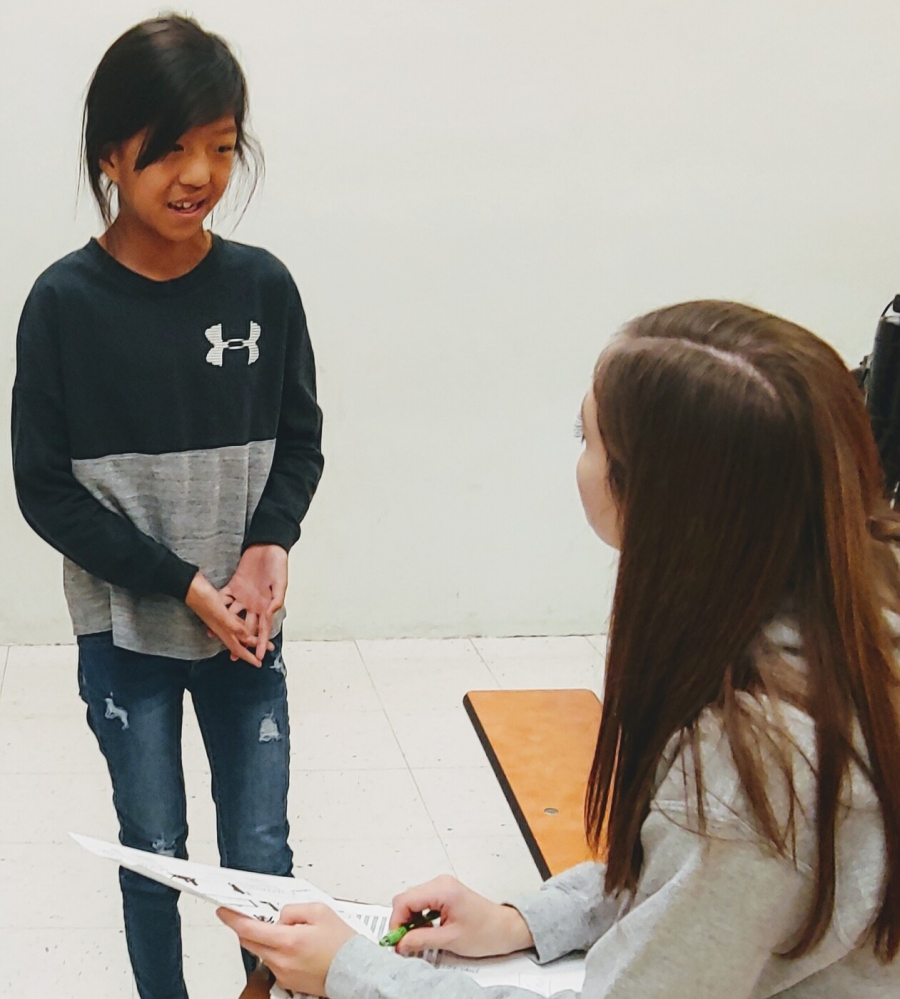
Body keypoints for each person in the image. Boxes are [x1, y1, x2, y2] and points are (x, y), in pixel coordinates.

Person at [218, 301, 900, 997]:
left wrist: (354, 971)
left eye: (589, 436)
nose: (581, 460)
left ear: (657, 494)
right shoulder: (854, 605)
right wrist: (526, 918)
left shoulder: (758, 765)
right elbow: (694, 885)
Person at [11, 15, 323, 999]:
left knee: (261, 848)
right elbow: (45, 491)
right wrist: (180, 583)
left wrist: (270, 543)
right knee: (154, 847)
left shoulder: (263, 288)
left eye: (222, 147)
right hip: (130, 637)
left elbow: (300, 438)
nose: (200, 174)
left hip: (245, 632)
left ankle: (262, 992)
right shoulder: (64, 305)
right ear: (112, 154)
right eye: (172, 150)